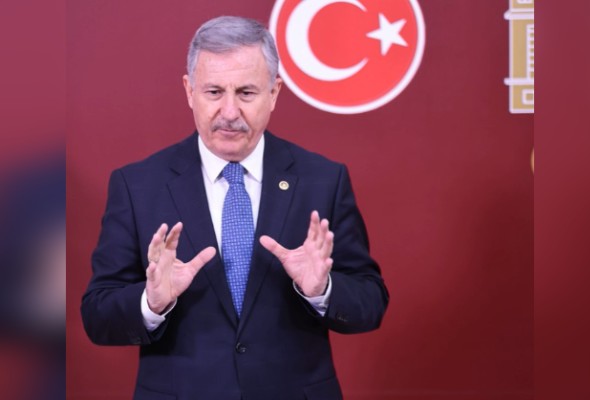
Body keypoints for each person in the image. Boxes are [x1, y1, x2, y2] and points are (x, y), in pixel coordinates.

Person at [81, 16, 388, 400]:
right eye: (213, 92)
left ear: (273, 93)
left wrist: (322, 290)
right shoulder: (137, 185)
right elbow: (97, 315)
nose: (229, 112)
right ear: (189, 91)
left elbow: (370, 302)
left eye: (246, 92)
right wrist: (151, 302)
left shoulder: (323, 179)